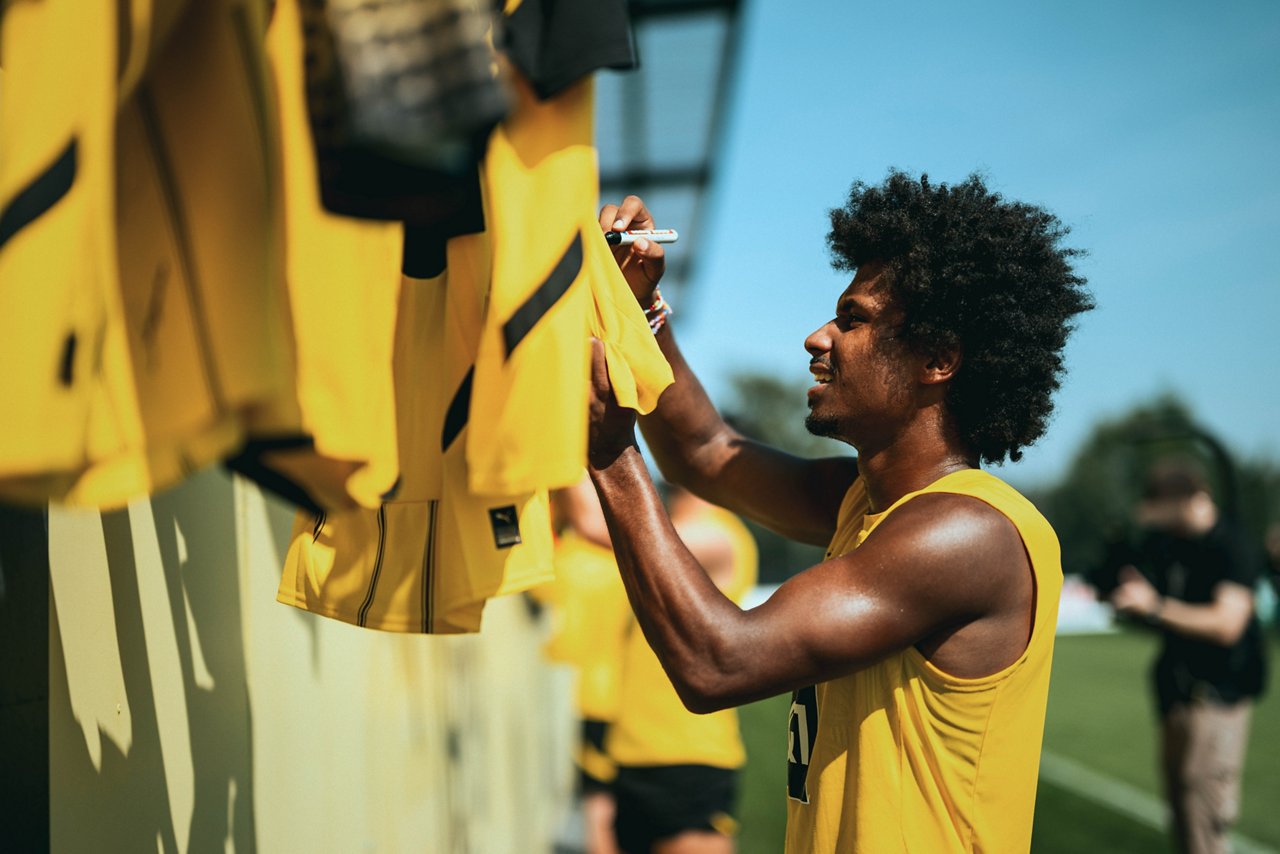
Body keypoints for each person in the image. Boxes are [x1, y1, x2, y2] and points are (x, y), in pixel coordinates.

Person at [585, 170, 1093, 853]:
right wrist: (639, 311)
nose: (816, 338)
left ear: (937, 360)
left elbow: (718, 664)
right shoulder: (870, 503)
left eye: (852, 319)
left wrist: (611, 457)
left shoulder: (967, 533)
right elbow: (704, 451)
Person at [1104, 459, 1268, 854]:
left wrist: (1155, 607)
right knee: (1180, 811)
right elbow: (1161, 613)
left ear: (1190, 500)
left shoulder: (1232, 543)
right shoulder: (1171, 543)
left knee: (1204, 818)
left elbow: (1227, 625)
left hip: (1217, 695)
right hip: (1175, 693)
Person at [607, 483, 757, 854]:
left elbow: (622, 533)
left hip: (690, 755)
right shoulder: (672, 526)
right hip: (632, 751)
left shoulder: (720, 536)